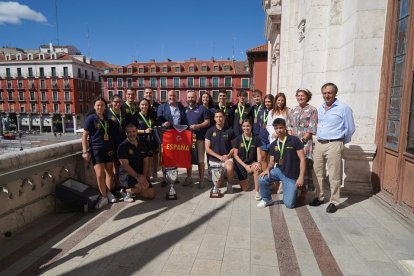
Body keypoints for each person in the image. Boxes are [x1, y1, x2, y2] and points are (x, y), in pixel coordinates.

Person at [309, 83, 355, 213]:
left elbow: (350, 128)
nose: (326, 95)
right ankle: (320, 196)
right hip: (319, 143)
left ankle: (334, 201)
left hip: (334, 143)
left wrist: (340, 141)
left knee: (334, 174)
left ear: (335, 94)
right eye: (324, 93)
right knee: (317, 172)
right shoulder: (320, 108)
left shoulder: (344, 108)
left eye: (329, 93)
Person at [258, 118, 306, 209]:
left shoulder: (294, 140)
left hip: (291, 176)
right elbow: (271, 162)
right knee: (262, 178)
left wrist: (301, 177)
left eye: (281, 128)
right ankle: (266, 199)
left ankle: (295, 189)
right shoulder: (273, 145)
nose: (279, 130)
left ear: (285, 128)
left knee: (289, 205)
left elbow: (303, 159)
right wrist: (267, 170)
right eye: (276, 128)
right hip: (279, 171)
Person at [82, 97, 117, 209]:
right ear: (94, 107)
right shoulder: (91, 119)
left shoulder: (107, 119)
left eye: (102, 105)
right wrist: (84, 151)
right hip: (96, 149)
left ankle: (108, 192)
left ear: (105, 107)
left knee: (110, 173)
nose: (100, 107)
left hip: (109, 149)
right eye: (98, 105)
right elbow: (84, 136)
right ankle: (103, 197)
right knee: (100, 174)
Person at [287, 89, 318, 191]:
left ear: (307, 97)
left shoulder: (312, 109)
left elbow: (312, 128)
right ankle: (294, 189)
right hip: (293, 141)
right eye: (298, 95)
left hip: (305, 142)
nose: (300, 97)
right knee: (294, 164)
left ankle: (304, 192)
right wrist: (291, 139)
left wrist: (302, 140)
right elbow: (289, 126)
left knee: (305, 165)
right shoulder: (293, 109)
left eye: (302, 96)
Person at [117, 123, 156, 201]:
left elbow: (146, 162)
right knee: (142, 187)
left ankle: (132, 191)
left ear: (137, 132)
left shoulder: (142, 144)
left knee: (151, 194)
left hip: (140, 175)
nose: (132, 134)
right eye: (129, 132)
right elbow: (125, 165)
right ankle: (125, 191)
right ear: (126, 133)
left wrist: (144, 177)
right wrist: (137, 177)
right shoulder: (122, 146)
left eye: (134, 131)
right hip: (128, 175)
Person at [156, 90, 187, 186]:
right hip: (166, 134)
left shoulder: (181, 107)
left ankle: (174, 176)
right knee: (165, 156)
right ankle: (165, 178)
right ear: (167, 96)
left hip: (178, 135)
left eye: (173, 95)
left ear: (176, 96)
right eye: (170, 95)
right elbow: (158, 119)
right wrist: (163, 123)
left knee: (175, 156)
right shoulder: (162, 107)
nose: (171, 97)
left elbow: (184, 119)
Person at [205, 110, 236, 193]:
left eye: (221, 116)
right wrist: (219, 157)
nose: (219, 119)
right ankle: (221, 177)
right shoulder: (210, 131)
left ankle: (229, 184)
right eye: (217, 117)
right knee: (218, 185)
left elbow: (234, 148)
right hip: (214, 160)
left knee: (229, 168)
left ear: (224, 118)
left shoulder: (230, 131)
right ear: (214, 119)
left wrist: (228, 156)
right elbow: (207, 149)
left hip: (226, 159)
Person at [185, 91, 211, 188]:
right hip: (187, 138)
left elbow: (207, 122)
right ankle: (189, 177)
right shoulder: (184, 110)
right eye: (189, 97)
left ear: (196, 98)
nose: (190, 99)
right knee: (188, 159)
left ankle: (201, 180)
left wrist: (198, 126)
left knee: (200, 160)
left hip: (199, 138)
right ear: (186, 98)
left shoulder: (202, 108)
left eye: (192, 97)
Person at [232, 119, 262, 198]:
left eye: (248, 126)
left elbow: (259, 154)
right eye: (244, 126)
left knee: (256, 168)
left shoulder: (256, 138)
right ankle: (246, 177)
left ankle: (257, 192)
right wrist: (245, 166)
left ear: (251, 126)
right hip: (241, 164)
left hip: (252, 162)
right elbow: (235, 155)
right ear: (242, 127)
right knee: (245, 189)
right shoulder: (237, 139)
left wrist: (258, 163)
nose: (246, 128)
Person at [266, 92, 289, 194]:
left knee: (283, 159)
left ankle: (283, 183)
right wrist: (273, 132)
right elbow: (268, 125)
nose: (280, 102)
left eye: (282, 100)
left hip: (284, 138)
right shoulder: (271, 111)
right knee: (275, 160)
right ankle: (277, 183)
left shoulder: (287, 111)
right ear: (276, 101)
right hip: (274, 138)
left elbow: (289, 124)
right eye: (278, 100)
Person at [131, 98, 157, 180]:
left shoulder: (151, 115)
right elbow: (132, 130)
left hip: (150, 142)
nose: (144, 106)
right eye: (142, 104)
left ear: (148, 106)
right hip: (140, 142)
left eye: (146, 104)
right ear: (139, 105)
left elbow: (153, 126)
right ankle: (140, 181)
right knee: (140, 164)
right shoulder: (135, 116)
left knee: (148, 164)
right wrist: (144, 131)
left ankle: (147, 181)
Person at [106, 95, 126, 192]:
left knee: (119, 166)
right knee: (111, 168)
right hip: (110, 144)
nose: (117, 104)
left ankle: (119, 186)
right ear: (111, 102)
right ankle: (112, 189)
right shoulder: (107, 113)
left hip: (121, 143)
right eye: (115, 102)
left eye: (119, 102)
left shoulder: (123, 113)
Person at [144, 87, 160, 179]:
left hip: (154, 134)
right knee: (146, 156)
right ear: (144, 94)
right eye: (147, 93)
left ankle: (155, 173)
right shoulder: (141, 105)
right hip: (144, 134)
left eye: (150, 93)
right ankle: (147, 174)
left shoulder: (157, 106)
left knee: (155, 154)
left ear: (153, 94)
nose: (148, 95)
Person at [258, 94, 274, 171]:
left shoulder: (275, 112)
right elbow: (259, 125)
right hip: (263, 139)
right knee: (263, 158)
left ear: (272, 102)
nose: (267, 103)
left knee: (272, 160)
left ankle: (274, 180)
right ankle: (266, 178)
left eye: (269, 102)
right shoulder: (261, 112)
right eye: (266, 102)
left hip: (272, 139)